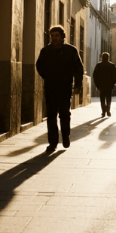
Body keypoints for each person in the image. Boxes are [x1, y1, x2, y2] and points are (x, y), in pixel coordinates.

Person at [36, 25, 84, 153]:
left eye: (57, 35)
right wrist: (47, 76)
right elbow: (39, 66)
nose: (54, 38)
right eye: (52, 35)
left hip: (65, 87)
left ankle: (66, 136)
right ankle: (52, 142)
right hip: (50, 87)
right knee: (51, 115)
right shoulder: (45, 51)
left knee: (64, 113)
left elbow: (79, 69)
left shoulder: (71, 51)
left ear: (63, 37)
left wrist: (78, 86)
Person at [92, 52, 116, 118]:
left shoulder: (98, 65)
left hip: (101, 85)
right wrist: (114, 81)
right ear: (108, 57)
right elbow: (115, 74)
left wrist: (96, 84)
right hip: (109, 85)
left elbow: (95, 75)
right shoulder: (112, 65)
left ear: (102, 57)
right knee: (109, 98)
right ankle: (108, 110)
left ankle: (103, 111)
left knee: (102, 98)